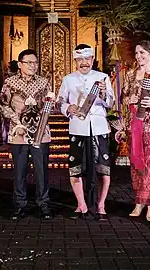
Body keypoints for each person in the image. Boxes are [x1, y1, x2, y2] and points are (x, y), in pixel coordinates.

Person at [57, 44, 114, 220]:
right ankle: (81, 204)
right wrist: (68, 107)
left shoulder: (102, 77)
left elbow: (111, 103)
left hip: (98, 127)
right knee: (76, 169)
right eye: (80, 60)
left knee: (103, 169)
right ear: (75, 61)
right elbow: (59, 102)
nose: (84, 63)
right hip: (78, 127)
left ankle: (101, 205)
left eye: (87, 59)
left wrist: (104, 94)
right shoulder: (68, 79)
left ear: (92, 60)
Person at [0, 49, 53, 221]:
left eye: (35, 63)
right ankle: (19, 205)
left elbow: (49, 105)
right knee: (20, 170)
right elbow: (3, 105)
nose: (33, 66)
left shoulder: (44, 82)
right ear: (20, 64)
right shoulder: (10, 82)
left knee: (41, 170)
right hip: (19, 132)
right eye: (29, 62)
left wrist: (44, 116)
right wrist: (18, 122)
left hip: (41, 132)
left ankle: (43, 204)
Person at [120, 40, 150, 221]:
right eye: (137, 53)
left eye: (142, 53)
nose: (139, 56)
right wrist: (129, 98)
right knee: (136, 163)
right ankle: (139, 202)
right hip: (134, 122)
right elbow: (123, 98)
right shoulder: (131, 75)